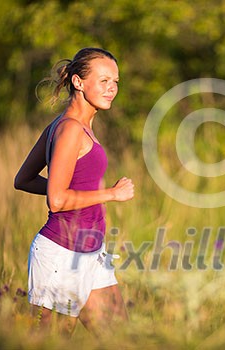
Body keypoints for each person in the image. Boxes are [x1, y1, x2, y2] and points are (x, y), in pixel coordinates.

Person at [14, 47, 134, 336]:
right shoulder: (69, 130)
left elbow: (25, 179)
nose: (112, 89)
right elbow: (57, 201)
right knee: (50, 342)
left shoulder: (75, 126)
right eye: (103, 80)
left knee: (122, 340)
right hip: (61, 256)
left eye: (115, 81)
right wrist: (110, 194)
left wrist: (68, 189)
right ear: (78, 82)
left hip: (91, 254)